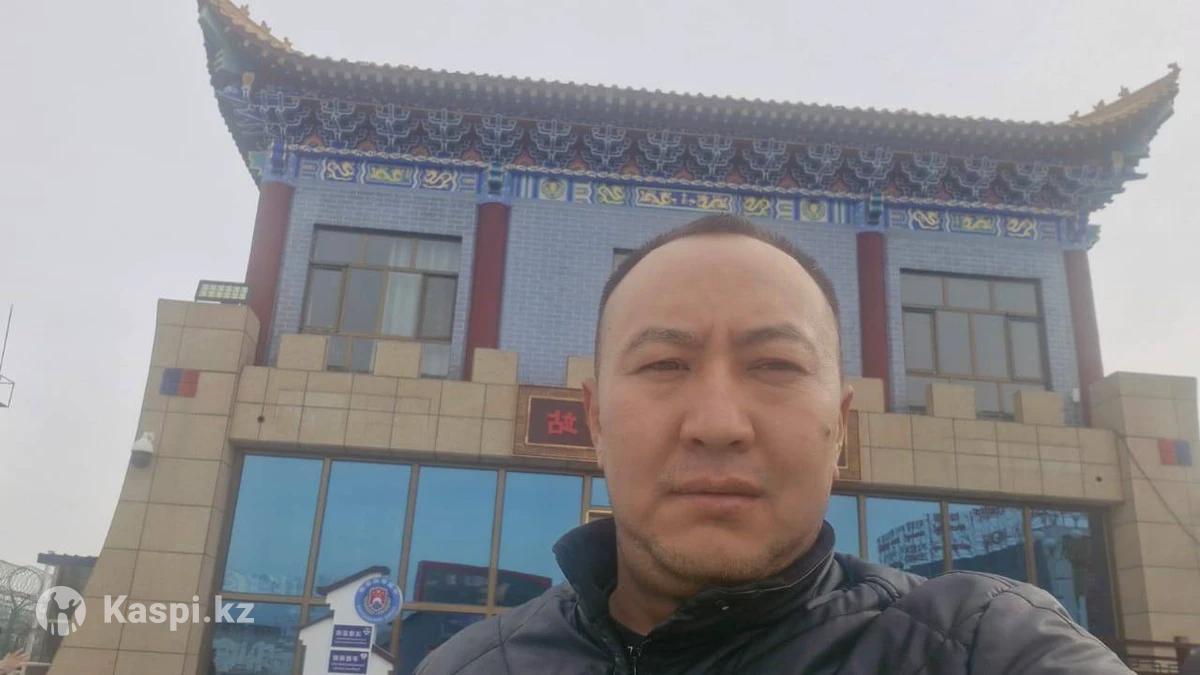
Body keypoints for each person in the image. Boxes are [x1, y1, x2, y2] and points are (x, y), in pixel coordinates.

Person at [415, 214, 1133, 674]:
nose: (718, 423)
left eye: (776, 366)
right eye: (664, 364)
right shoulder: (468, 667)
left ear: (839, 426)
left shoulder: (981, 645)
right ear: (595, 420)